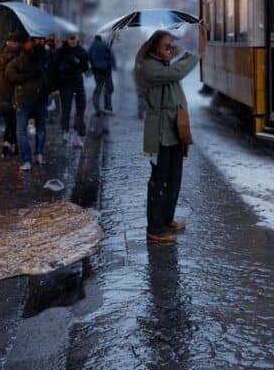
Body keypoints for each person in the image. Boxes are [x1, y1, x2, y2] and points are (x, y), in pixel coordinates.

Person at [134, 25, 207, 245]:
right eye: (167, 44)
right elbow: (177, 72)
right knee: (159, 181)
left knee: (174, 178)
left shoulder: (163, 64)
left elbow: (175, 68)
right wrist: (197, 53)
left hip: (175, 130)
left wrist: (181, 51)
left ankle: (167, 219)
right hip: (159, 133)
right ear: (154, 46)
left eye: (172, 44)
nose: (171, 47)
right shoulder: (148, 68)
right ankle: (155, 228)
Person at [6, 37, 53, 171]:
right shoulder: (24, 59)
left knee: (31, 130)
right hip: (27, 100)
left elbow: (50, 75)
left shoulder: (42, 57)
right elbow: (9, 74)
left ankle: (34, 156)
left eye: (37, 40)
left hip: (35, 99)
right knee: (26, 131)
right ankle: (33, 157)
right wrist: (25, 78)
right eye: (33, 41)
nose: (35, 43)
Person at [53, 32, 91, 147]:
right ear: (67, 39)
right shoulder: (61, 51)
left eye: (74, 38)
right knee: (66, 108)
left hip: (78, 82)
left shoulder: (82, 52)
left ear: (78, 38)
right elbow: (55, 66)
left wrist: (78, 64)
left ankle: (78, 136)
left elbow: (86, 68)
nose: (72, 41)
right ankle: (65, 131)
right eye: (70, 38)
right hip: (65, 83)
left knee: (81, 109)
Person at [0, 34, 22, 158]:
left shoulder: (6, 56)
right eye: (10, 41)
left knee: (11, 120)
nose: (12, 44)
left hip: (8, 92)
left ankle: (10, 145)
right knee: (11, 120)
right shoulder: (6, 56)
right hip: (6, 92)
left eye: (14, 42)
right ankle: (9, 145)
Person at [88, 34, 116, 114]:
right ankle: (107, 106)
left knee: (98, 87)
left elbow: (88, 56)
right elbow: (111, 55)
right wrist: (113, 65)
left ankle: (96, 106)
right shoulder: (105, 45)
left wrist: (92, 65)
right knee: (109, 87)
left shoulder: (92, 46)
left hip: (97, 71)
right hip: (106, 70)